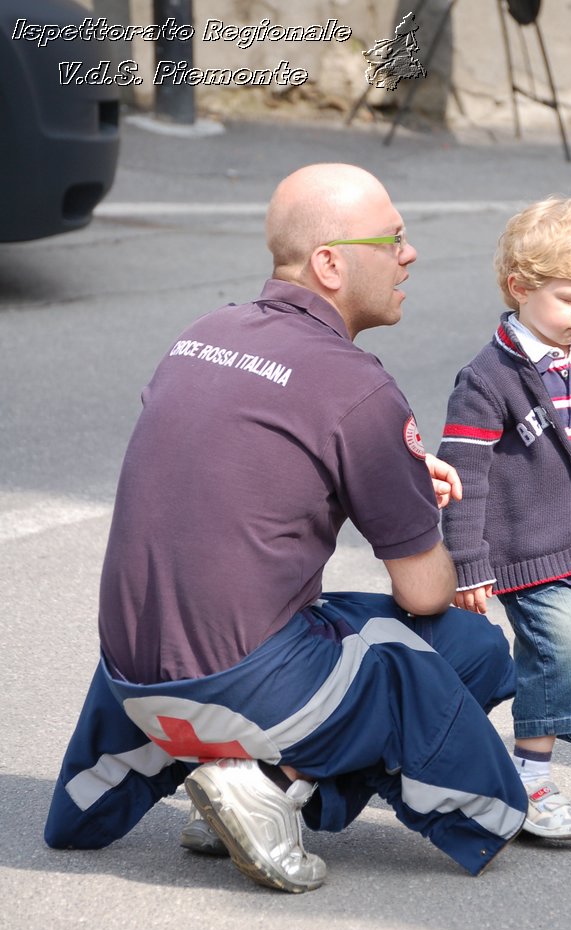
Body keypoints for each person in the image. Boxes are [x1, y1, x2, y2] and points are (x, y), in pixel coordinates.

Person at [45, 163, 529, 893]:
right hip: (244, 685)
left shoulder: (200, 335)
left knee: (307, 622)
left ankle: (228, 779)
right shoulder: (355, 384)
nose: (410, 254)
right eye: (393, 238)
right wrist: (415, 497)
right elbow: (427, 593)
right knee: (471, 647)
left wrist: (382, 472)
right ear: (330, 263)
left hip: (130, 681)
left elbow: (225, 472)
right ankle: (271, 788)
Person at [437, 196, 571, 841]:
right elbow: (461, 478)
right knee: (562, 655)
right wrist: (468, 562)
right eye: (567, 297)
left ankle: (494, 769)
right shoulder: (487, 378)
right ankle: (530, 786)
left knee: (550, 663)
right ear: (518, 289)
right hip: (524, 551)